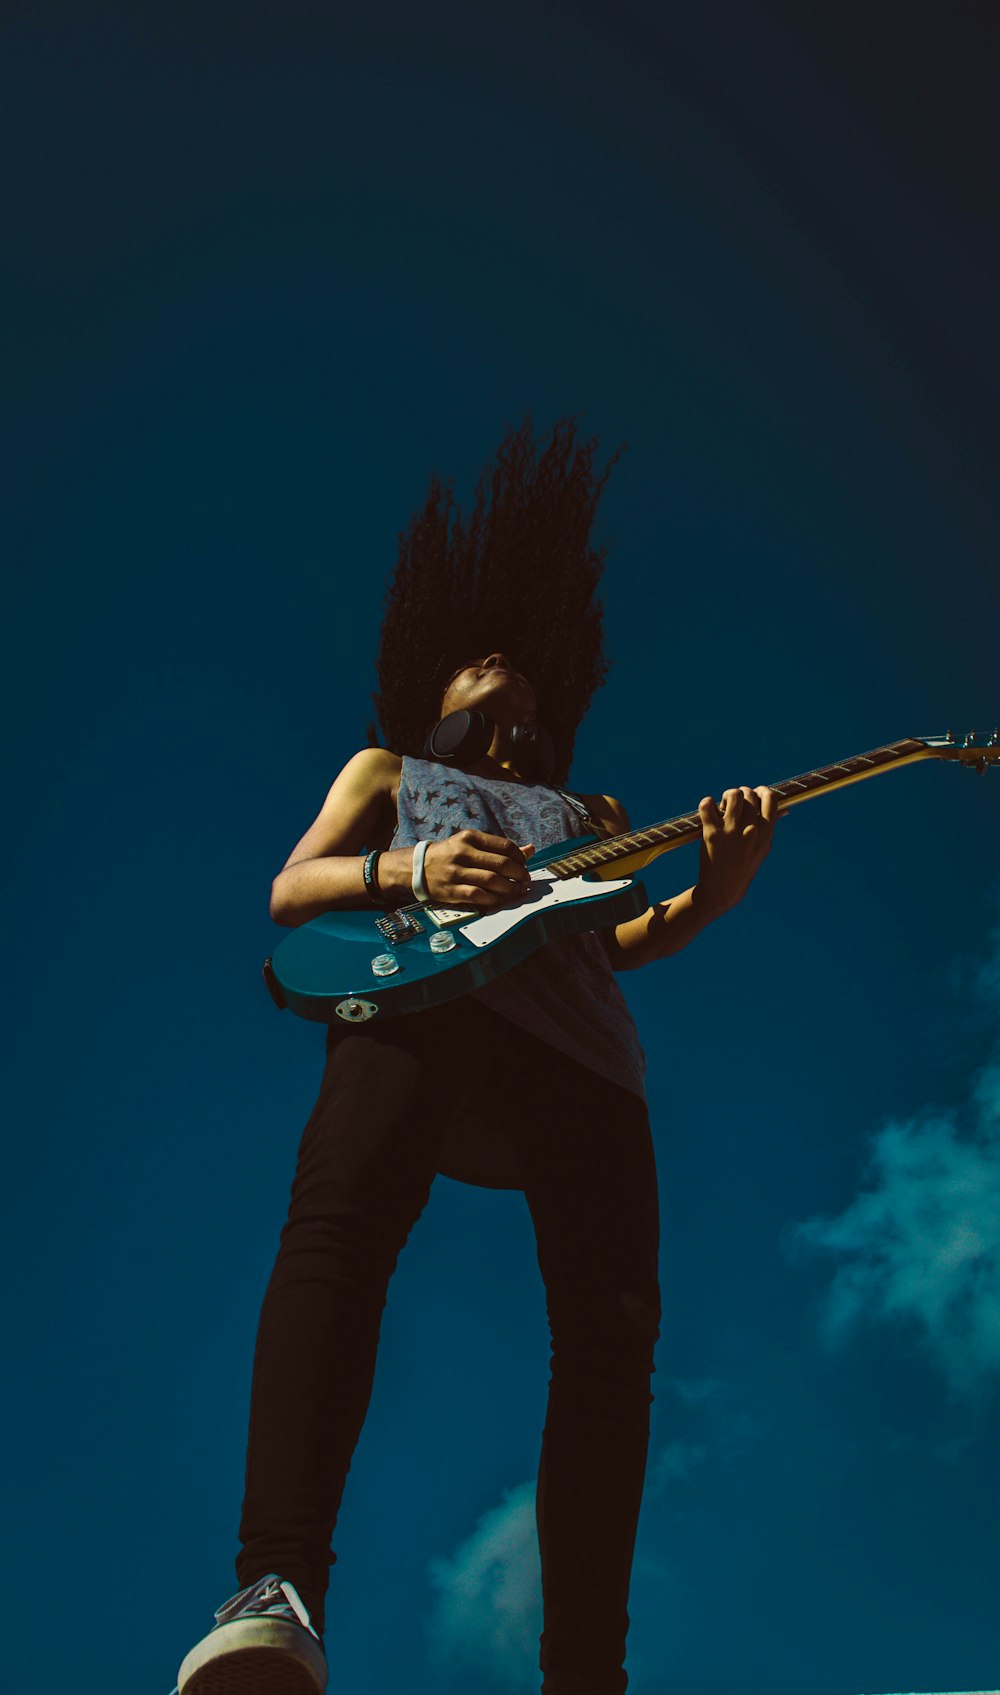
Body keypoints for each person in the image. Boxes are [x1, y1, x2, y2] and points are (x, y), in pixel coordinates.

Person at [170, 419, 778, 1695]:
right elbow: (292, 893)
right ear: (433, 693)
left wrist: (714, 891)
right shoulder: (387, 769)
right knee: (337, 1232)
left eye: (524, 677)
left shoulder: (592, 815)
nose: (502, 671)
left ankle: (584, 1671)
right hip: (413, 1007)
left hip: (584, 1058)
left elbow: (625, 939)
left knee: (612, 1334)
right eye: (475, 664)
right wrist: (411, 867)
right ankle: (275, 1589)